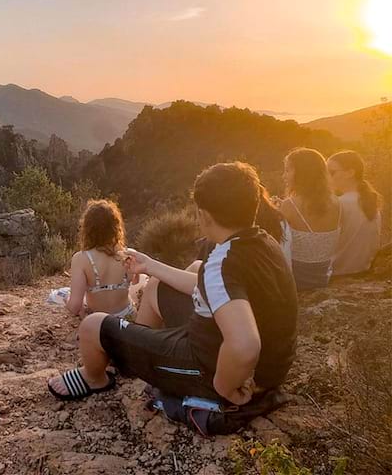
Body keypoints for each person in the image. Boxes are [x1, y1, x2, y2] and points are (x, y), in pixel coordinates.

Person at [47, 162, 298, 418]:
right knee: (157, 286)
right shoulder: (263, 243)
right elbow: (215, 287)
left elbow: (245, 344)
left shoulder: (221, 265)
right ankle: (137, 355)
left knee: (93, 326)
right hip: (268, 368)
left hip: (216, 371)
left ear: (204, 215)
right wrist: (150, 265)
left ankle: (93, 377)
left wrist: (226, 387)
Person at [279, 147, 342, 290]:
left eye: (288, 170)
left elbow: (278, 247)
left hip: (296, 282)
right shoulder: (337, 202)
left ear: (303, 173)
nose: (284, 176)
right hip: (323, 278)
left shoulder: (289, 205)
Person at [65, 199, 136, 319]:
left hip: (99, 323)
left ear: (88, 229)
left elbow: (74, 306)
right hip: (128, 319)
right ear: (115, 227)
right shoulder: (129, 254)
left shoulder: (81, 259)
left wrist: (66, 299)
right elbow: (135, 281)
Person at [327, 150, 381, 276]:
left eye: (331, 172)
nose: (327, 177)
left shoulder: (340, 204)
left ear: (350, 173)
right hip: (363, 270)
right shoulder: (371, 203)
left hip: (338, 272)